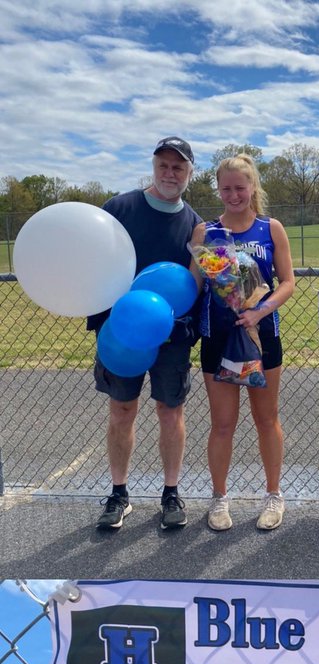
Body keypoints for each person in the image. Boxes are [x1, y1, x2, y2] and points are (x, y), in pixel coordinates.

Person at [88, 137, 203, 531]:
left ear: (190, 173)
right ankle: (119, 493)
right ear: (153, 167)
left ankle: (171, 492)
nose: (170, 173)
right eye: (163, 165)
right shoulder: (119, 209)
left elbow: (196, 284)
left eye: (179, 167)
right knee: (122, 411)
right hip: (121, 335)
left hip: (172, 337)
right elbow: (95, 264)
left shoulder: (195, 225)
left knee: (171, 412)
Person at [190, 154, 295, 532]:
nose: (234, 195)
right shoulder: (206, 232)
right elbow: (195, 286)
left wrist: (257, 311)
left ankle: (273, 495)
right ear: (218, 189)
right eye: (226, 188)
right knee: (222, 424)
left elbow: (287, 282)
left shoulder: (272, 228)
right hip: (218, 337)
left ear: (253, 188)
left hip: (261, 335)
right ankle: (219, 500)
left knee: (266, 420)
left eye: (240, 187)